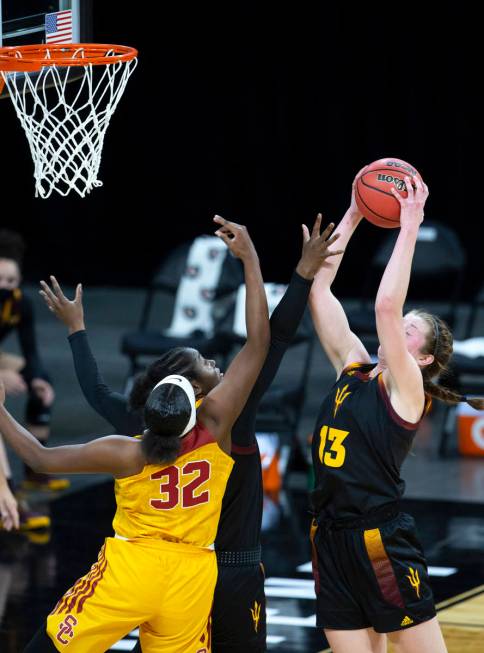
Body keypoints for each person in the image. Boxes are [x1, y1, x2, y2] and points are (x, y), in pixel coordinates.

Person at [39, 215, 343, 652]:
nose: (217, 362)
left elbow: (96, 391)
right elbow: (270, 341)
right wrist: (300, 275)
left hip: (166, 572)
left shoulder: (141, 424)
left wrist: (76, 330)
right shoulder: (228, 416)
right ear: (195, 387)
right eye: (204, 361)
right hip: (227, 571)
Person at [0, 215, 270, 653]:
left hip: (133, 567)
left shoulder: (129, 450)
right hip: (192, 574)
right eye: (202, 361)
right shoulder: (218, 422)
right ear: (195, 397)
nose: (210, 362)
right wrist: (250, 259)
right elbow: (258, 342)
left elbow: (40, 457)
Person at [308, 172, 483, 653]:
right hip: (328, 537)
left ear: (423, 359)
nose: (397, 329)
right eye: (401, 326)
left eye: (410, 332)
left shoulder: (407, 387)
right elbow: (320, 291)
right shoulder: (354, 366)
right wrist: (354, 212)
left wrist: (410, 225)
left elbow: (386, 306)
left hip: (378, 540)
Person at [0, 229, 65, 496]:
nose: (4, 285)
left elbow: (31, 350)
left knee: (41, 381)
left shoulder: (20, 304)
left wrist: (36, 377)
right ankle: (7, 493)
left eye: (11, 280)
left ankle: (35, 469)